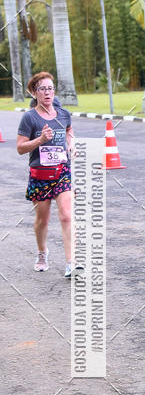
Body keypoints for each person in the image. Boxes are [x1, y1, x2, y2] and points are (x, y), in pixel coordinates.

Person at [16, 72, 74, 277]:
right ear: (35, 93)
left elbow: (68, 132)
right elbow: (20, 148)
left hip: (61, 171)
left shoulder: (64, 114)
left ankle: (71, 263)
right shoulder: (29, 117)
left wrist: (71, 146)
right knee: (43, 220)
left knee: (67, 215)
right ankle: (42, 253)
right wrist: (40, 140)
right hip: (40, 174)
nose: (47, 92)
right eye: (42, 89)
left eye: (50, 88)